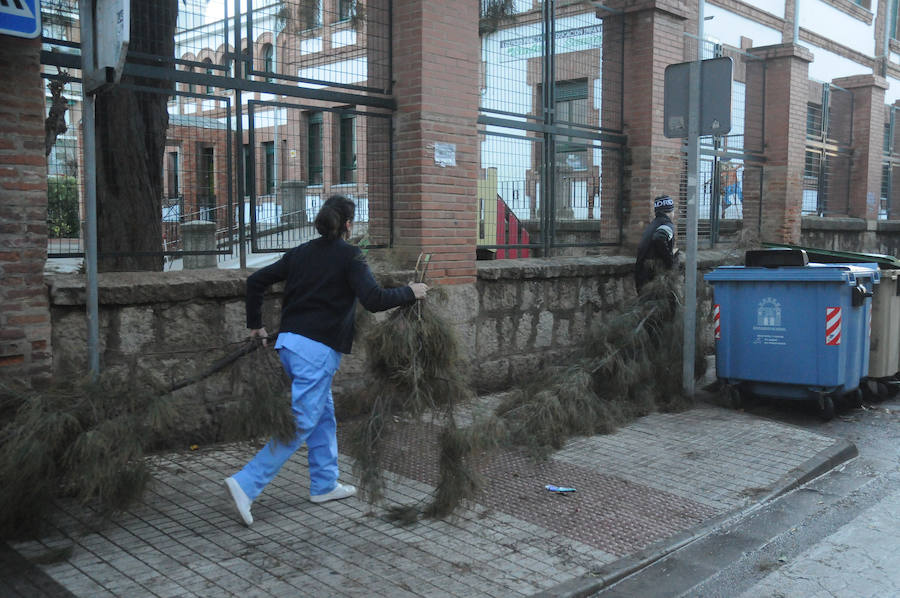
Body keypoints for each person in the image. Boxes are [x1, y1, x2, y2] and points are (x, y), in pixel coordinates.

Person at [224, 194, 428, 526]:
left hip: (290, 347)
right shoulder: (351, 256)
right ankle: (245, 484)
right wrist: (411, 292)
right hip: (316, 352)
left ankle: (323, 483)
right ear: (348, 224)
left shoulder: (301, 252)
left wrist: (255, 325)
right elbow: (374, 300)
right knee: (303, 421)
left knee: (322, 415)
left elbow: (255, 281)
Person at [634, 194, 677, 293]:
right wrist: (669, 260)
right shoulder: (667, 224)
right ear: (670, 212)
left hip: (642, 274)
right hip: (655, 275)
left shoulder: (652, 226)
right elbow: (659, 238)